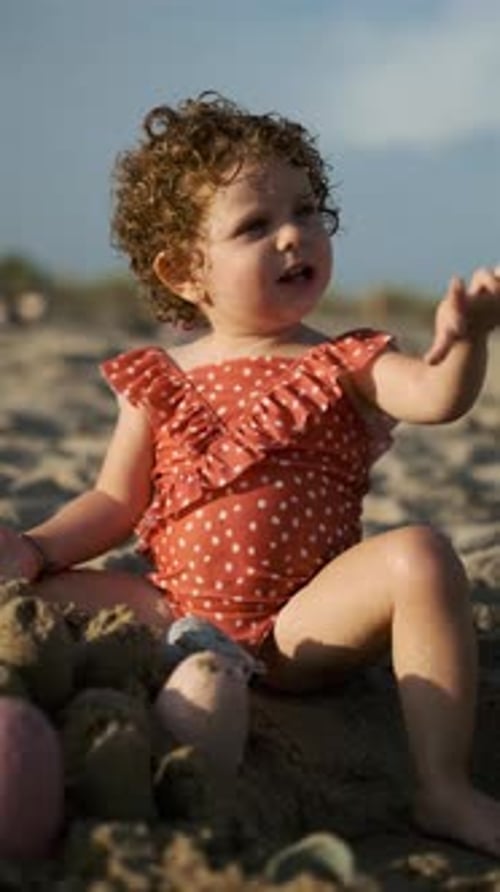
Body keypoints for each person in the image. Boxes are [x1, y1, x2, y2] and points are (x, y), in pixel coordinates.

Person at [1, 92, 500, 854]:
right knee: (29, 599)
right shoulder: (161, 377)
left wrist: (465, 343)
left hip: (302, 627)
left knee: (422, 554)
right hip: (172, 611)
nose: (293, 235)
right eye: (255, 226)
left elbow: (436, 397)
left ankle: (443, 787)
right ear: (184, 270)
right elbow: (113, 500)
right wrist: (34, 548)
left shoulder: (345, 361)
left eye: (306, 210)